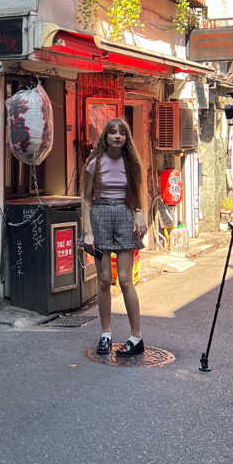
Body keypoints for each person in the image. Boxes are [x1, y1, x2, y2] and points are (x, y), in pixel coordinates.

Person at [82, 118, 148, 358]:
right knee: (103, 279)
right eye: (113, 132)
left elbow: (138, 194)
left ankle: (135, 336)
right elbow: (86, 198)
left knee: (125, 279)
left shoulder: (131, 163)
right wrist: (87, 230)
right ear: (106, 137)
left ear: (126, 137)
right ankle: (106, 334)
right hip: (99, 217)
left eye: (122, 132)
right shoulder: (95, 163)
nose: (117, 136)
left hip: (124, 215)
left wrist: (140, 215)